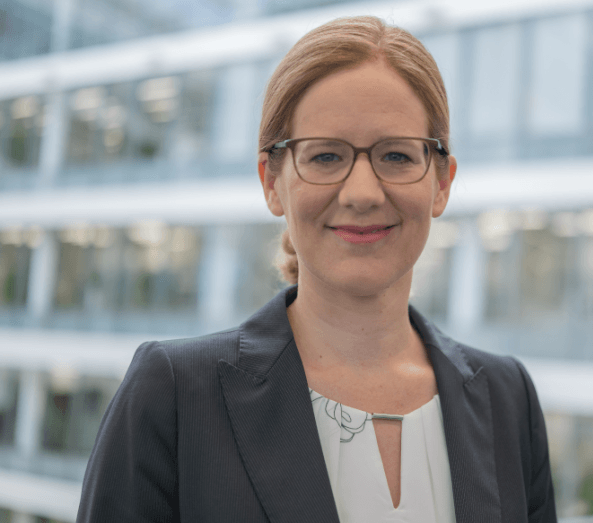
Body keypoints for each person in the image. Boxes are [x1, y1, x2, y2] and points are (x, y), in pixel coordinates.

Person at [77, 15, 557, 523]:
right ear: (271, 181)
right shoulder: (173, 393)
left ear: (441, 183)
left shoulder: (508, 398)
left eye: (395, 155)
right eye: (326, 156)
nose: (363, 194)